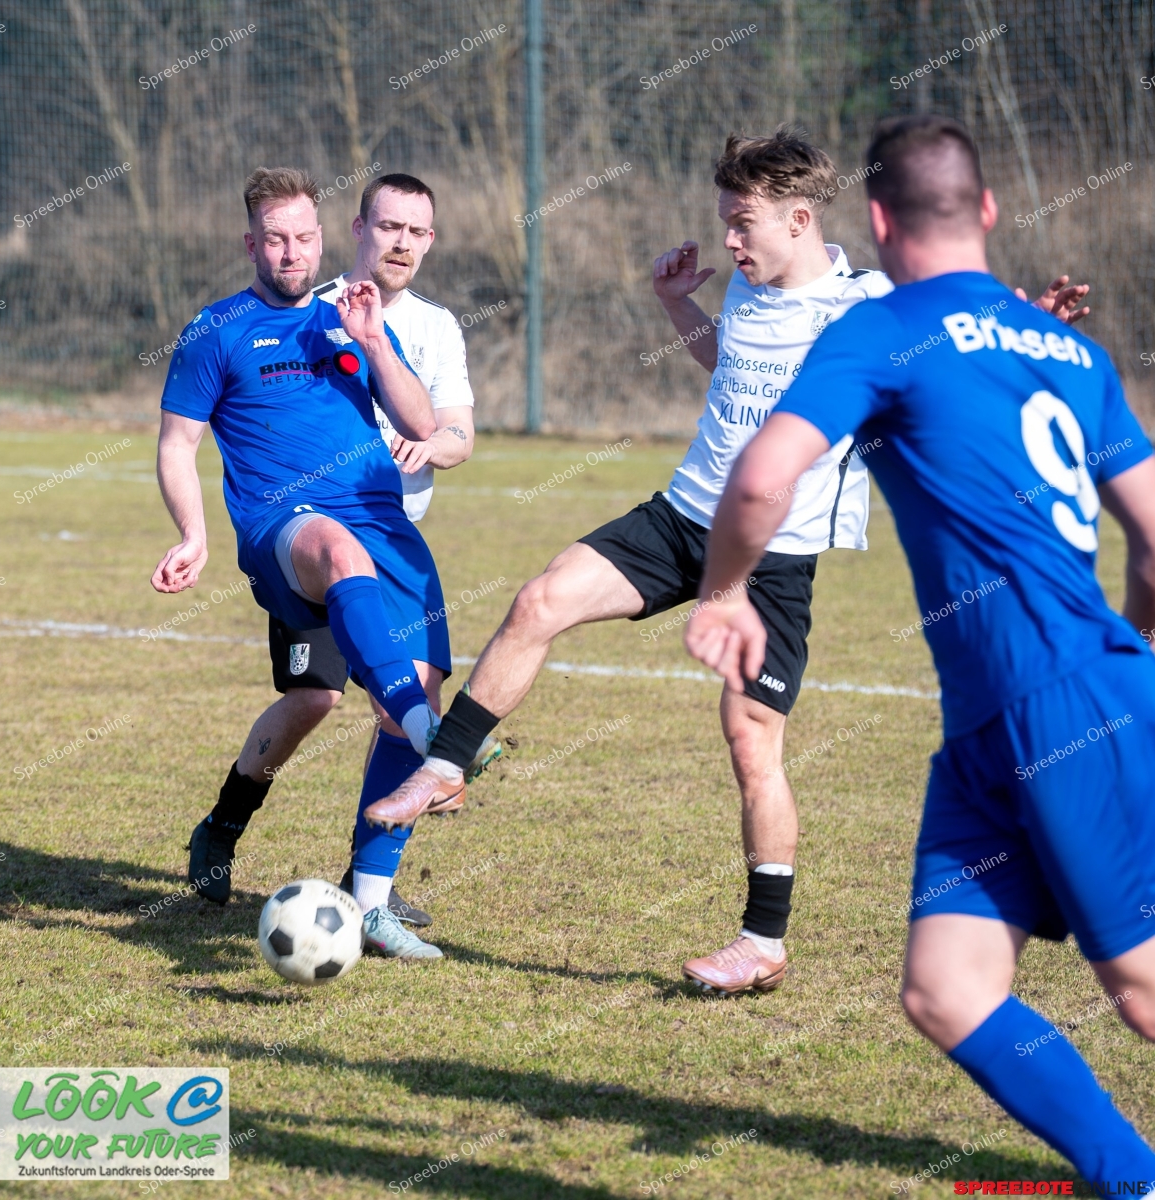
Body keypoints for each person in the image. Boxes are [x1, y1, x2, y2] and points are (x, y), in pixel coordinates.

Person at [361, 127, 1087, 995]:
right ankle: (445, 769)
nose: (730, 240)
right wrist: (678, 307)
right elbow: (733, 367)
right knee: (541, 599)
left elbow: (958, 349)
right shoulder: (748, 286)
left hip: (774, 558)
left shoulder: (868, 306)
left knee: (751, 742)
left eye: (743, 223)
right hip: (681, 516)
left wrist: (1032, 328)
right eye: (726, 222)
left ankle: (762, 941)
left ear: (800, 219)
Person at [685, 113, 1155, 1177]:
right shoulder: (1072, 352)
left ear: (879, 218)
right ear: (986, 208)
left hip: (1056, 706)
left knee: (1140, 992)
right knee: (946, 991)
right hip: (998, 726)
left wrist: (723, 592)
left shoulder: (880, 330)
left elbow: (760, 478)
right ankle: (1130, 1177)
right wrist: (1130, 648)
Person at [153, 166, 453, 960]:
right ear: (251, 244)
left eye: (304, 238)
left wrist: (373, 339)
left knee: (373, 694)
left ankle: (371, 902)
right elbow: (177, 445)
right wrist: (193, 534)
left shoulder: (348, 319)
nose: (292, 253)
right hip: (283, 528)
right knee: (324, 684)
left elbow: (423, 424)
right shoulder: (215, 330)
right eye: (276, 240)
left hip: (382, 525)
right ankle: (225, 826)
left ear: (324, 239)